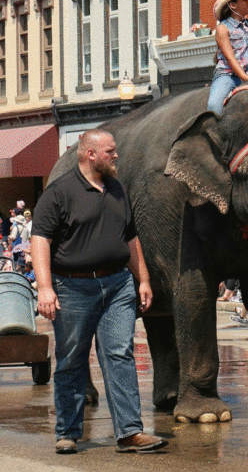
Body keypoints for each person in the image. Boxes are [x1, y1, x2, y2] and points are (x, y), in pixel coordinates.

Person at [30, 129, 168, 455]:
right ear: (90, 154)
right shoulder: (59, 193)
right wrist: (45, 288)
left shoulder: (118, 190)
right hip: (72, 288)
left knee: (120, 355)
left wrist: (143, 279)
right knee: (71, 360)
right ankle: (68, 432)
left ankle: (130, 432)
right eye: (110, 151)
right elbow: (40, 241)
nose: (116, 155)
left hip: (118, 286)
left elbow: (130, 238)